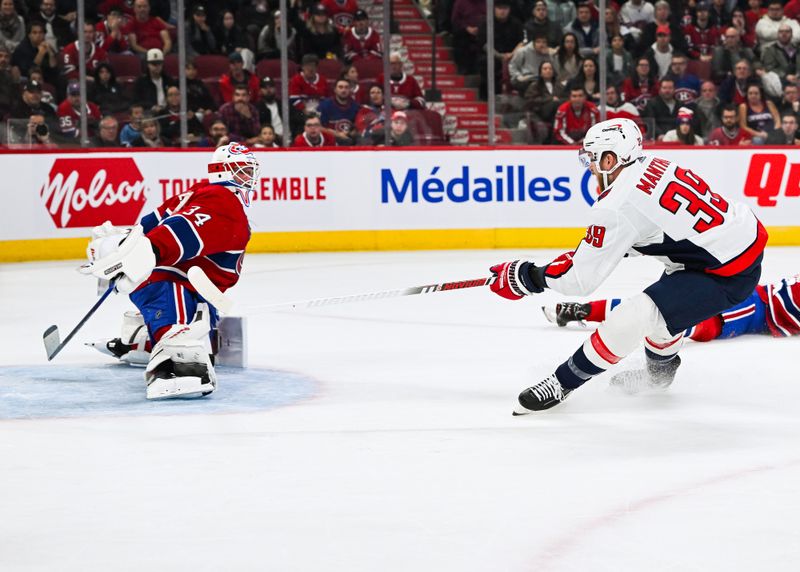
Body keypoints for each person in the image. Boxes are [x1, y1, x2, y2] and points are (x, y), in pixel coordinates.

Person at [488, 118, 767, 413]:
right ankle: (659, 376)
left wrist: (528, 277)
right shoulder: (652, 163)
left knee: (635, 316)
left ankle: (562, 382)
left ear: (611, 159)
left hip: (725, 271)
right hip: (725, 248)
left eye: (592, 159)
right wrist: (590, 254)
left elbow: (580, 280)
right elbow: (649, 232)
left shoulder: (617, 205)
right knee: (664, 315)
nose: (590, 167)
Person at [78, 143, 259, 400]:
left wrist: (130, 245)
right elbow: (180, 230)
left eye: (250, 171)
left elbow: (151, 220)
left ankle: (143, 338)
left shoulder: (199, 191)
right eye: (242, 171)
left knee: (198, 316)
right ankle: (177, 362)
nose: (249, 178)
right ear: (223, 171)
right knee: (177, 319)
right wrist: (143, 251)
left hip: (173, 279)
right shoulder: (222, 200)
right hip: (168, 279)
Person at [541, 275, 800, 346]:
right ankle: (583, 310)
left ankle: (581, 310)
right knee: (680, 316)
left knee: (660, 308)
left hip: (754, 299)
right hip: (755, 304)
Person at [11, 21, 58, 86]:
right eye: (34, 33)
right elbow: (29, 71)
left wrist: (51, 54)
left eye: (41, 32)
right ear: (29, 35)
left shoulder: (46, 46)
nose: (38, 35)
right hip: (28, 81)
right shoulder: (22, 49)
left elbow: (54, 70)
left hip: (45, 79)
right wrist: (40, 54)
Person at [133, 48, 177, 114]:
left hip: (168, 112)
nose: (157, 66)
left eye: (159, 64)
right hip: (150, 113)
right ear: (148, 65)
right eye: (154, 64)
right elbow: (136, 101)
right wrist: (152, 107)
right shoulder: (141, 82)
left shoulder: (169, 80)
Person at [318, 77, 360, 145]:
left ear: (350, 90)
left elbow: (358, 128)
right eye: (340, 87)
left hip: (349, 141)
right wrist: (337, 134)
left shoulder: (356, 106)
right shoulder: (325, 105)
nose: (343, 90)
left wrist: (349, 133)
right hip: (329, 142)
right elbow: (319, 127)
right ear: (335, 90)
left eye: (346, 87)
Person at [255, 76, 284, 141]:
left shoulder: (284, 105)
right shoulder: (256, 108)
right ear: (260, 90)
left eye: (271, 87)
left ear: (275, 89)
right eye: (265, 88)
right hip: (268, 141)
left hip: (286, 140)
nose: (268, 90)